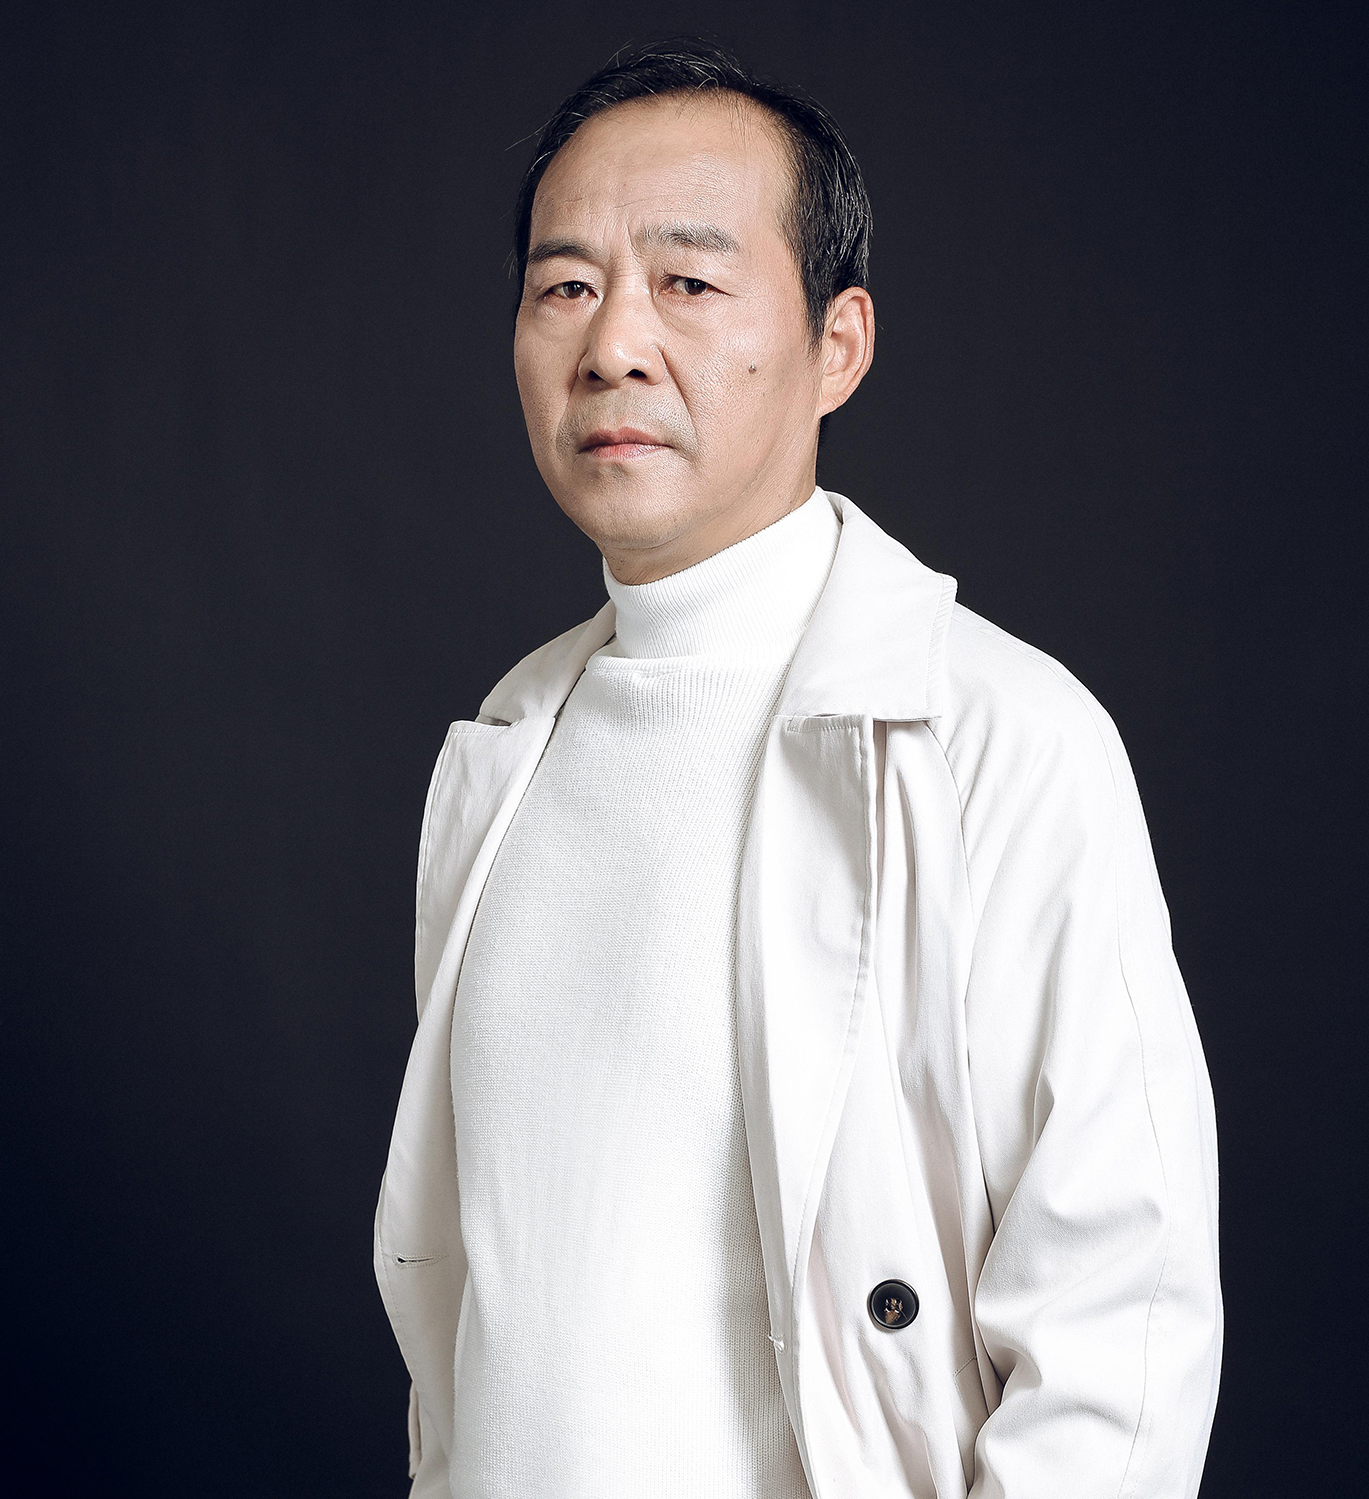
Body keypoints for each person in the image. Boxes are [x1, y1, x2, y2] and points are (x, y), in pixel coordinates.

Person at [373, 40, 1222, 1499]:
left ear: (840, 344)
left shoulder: (1001, 739)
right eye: (565, 286)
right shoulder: (503, 753)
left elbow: (1119, 1333)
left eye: (688, 283)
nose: (614, 344)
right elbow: (475, 1329)